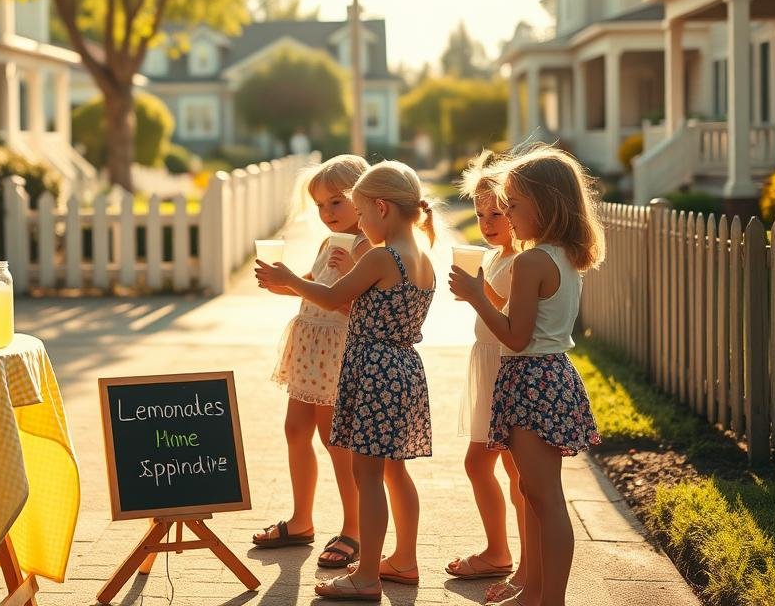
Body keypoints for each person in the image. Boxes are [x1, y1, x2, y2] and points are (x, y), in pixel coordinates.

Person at [256, 160, 438, 601]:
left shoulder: (380, 255)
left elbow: (337, 297)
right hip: (404, 369)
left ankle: (367, 576)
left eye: (359, 210)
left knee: (368, 475)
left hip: (373, 371)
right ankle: (404, 561)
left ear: (380, 208)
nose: (358, 221)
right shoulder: (422, 258)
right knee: (396, 473)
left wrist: (289, 279)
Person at [448, 145, 604, 606]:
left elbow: (516, 338)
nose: (507, 215)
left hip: (531, 380)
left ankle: (549, 599)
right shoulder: (563, 256)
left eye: (514, 205)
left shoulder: (531, 262)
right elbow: (530, 326)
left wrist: (478, 296)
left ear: (547, 203)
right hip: (552, 376)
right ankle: (533, 591)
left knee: (545, 499)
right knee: (533, 491)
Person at [252, 155, 368, 568]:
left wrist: (345, 270)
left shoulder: (366, 247)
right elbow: (316, 289)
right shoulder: (327, 243)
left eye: (336, 202)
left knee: (335, 440)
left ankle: (353, 528)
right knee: (295, 430)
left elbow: (355, 308)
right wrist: (284, 285)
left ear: (365, 199)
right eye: (320, 206)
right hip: (310, 352)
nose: (327, 213)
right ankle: (302, 519)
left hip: (338, 354)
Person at [445, 151, 528, 604]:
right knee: (480, 463)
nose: (488, 221)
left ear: (518, 210)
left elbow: (511, 316)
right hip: (488, 367)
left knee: (517, 471)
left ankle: (520, 560)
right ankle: (499, 549)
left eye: (498, 212)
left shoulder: (523, 261)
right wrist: (477, 289)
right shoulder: (496, 255)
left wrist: (480, 293)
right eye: (480, 214)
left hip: (507, 369)